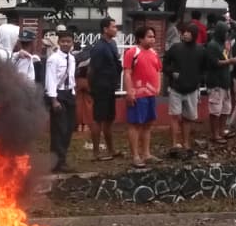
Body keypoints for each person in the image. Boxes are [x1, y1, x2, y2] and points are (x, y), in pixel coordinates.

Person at [164, 23, 207, 158]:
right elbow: (165, 64)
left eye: (189, 32)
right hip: (176, 88)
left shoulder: (201, 50)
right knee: (175, 116)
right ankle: (174, 144)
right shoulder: (176, 48)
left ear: (194, 34)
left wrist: (197, 78)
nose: (185, 34)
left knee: (188, 118)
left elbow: (204, 68)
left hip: (192, 89)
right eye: (185, 32)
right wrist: (172, 73)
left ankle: (186, 143)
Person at [121, 26, 161, 167]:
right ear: (140, 38)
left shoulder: (154, 53)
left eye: (153, 36)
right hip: (138, 94)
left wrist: (158, 86)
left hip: (151, 94)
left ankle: (147, 153)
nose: (152, 39)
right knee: (135, 124)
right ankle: (135, 156)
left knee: (148, 124)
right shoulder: (132, 52)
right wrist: (129, 91)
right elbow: (127, 73)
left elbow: (157, 71)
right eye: (149, 36)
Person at [86, 17, 123, 162]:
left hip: (110, 87)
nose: (116, 29)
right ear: (105, 29)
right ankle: (96, 152)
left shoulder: (112, 44)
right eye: (113, 27)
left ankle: (111, 149)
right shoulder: (99, 48)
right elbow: (91, 70)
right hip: (100, 88)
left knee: (109, 119)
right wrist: (92, 88)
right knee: (98, 119)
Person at [43, 28, 78, 172]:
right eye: (63, 41)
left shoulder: (72, 58)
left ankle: (62, 159)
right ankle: (57, 162)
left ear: (72, 43)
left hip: (70, 94)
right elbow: (50, 79)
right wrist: (54, 100)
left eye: (68, 41)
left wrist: (73, 92)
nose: (65, 44)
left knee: (69, 128)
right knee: (59, 129)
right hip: (58, 95)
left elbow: (71, 76)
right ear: (58, 42)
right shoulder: (53, 59)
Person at [204, 23, 236, 146]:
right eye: (225, 32)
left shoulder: (224, 44)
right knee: (215, 110)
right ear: (219, 32)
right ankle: (215, 134)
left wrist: (229, 56)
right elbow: (214, 63)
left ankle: (222, 131)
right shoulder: (212, 45)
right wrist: (230, 61)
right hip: (215, 82)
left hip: (225, 81)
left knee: (225, 109)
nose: (227, 34)